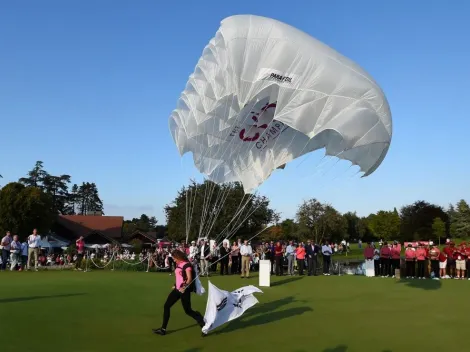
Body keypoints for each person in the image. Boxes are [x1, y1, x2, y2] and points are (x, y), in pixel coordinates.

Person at [153, 250, 205, 336]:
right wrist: (175, 285)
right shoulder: (178, 264)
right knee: (167, 306)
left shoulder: (187, 265)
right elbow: (179, 277)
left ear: (178, 257)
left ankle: (202, 322)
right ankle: (163, 329)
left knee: (188, 311)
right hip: (177, 290)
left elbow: (189, 278)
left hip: (184, 290)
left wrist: (184, 286)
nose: (173, 260)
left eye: (174, 258)